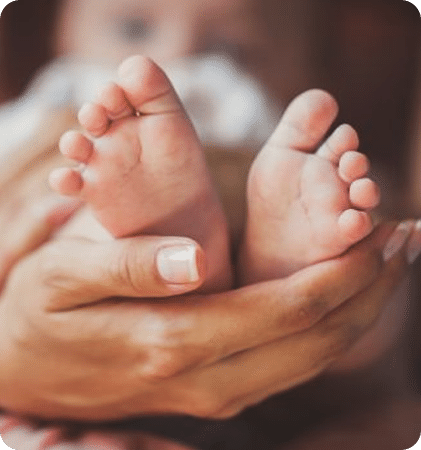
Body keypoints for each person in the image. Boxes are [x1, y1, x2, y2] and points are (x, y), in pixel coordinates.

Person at [0, 0, 419, 449]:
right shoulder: (41, 114)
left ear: (307, 71)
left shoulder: (283, 147)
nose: (178, 58)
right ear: (60, 28)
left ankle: (289, 266)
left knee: (359, 266)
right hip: (61, 304)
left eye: (233, 50)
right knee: (75, 215)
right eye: (133, 26)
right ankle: (154, 230)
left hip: (278, 349)